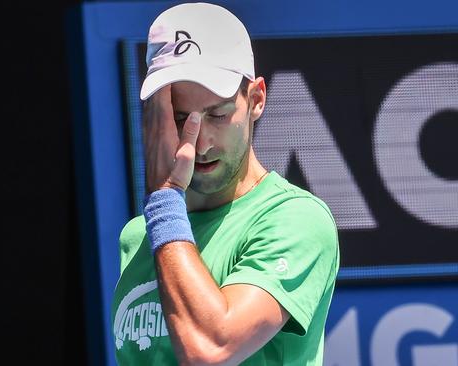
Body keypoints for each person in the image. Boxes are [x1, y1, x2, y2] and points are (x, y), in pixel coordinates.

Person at [110, 2, 340, 365]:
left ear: (257, 99)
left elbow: (210, 350)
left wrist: (164, 200)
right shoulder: (139, 235)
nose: (200, 142)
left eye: (217, 114)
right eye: (181, 117)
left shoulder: (297, 220)